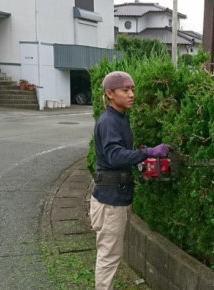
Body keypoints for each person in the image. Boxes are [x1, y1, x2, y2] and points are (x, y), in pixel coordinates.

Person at [89, 71, 168, 290]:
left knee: (110, 253)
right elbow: (114, 156)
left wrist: (138, 161)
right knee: (109, 255)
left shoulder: (119, 118)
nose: (131, 94)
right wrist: (147, 152)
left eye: (132, 89)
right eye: (125, 90)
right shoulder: (109, 121)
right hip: (110, 200)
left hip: (115, 196)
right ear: (110, 94)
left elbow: (119, 154)